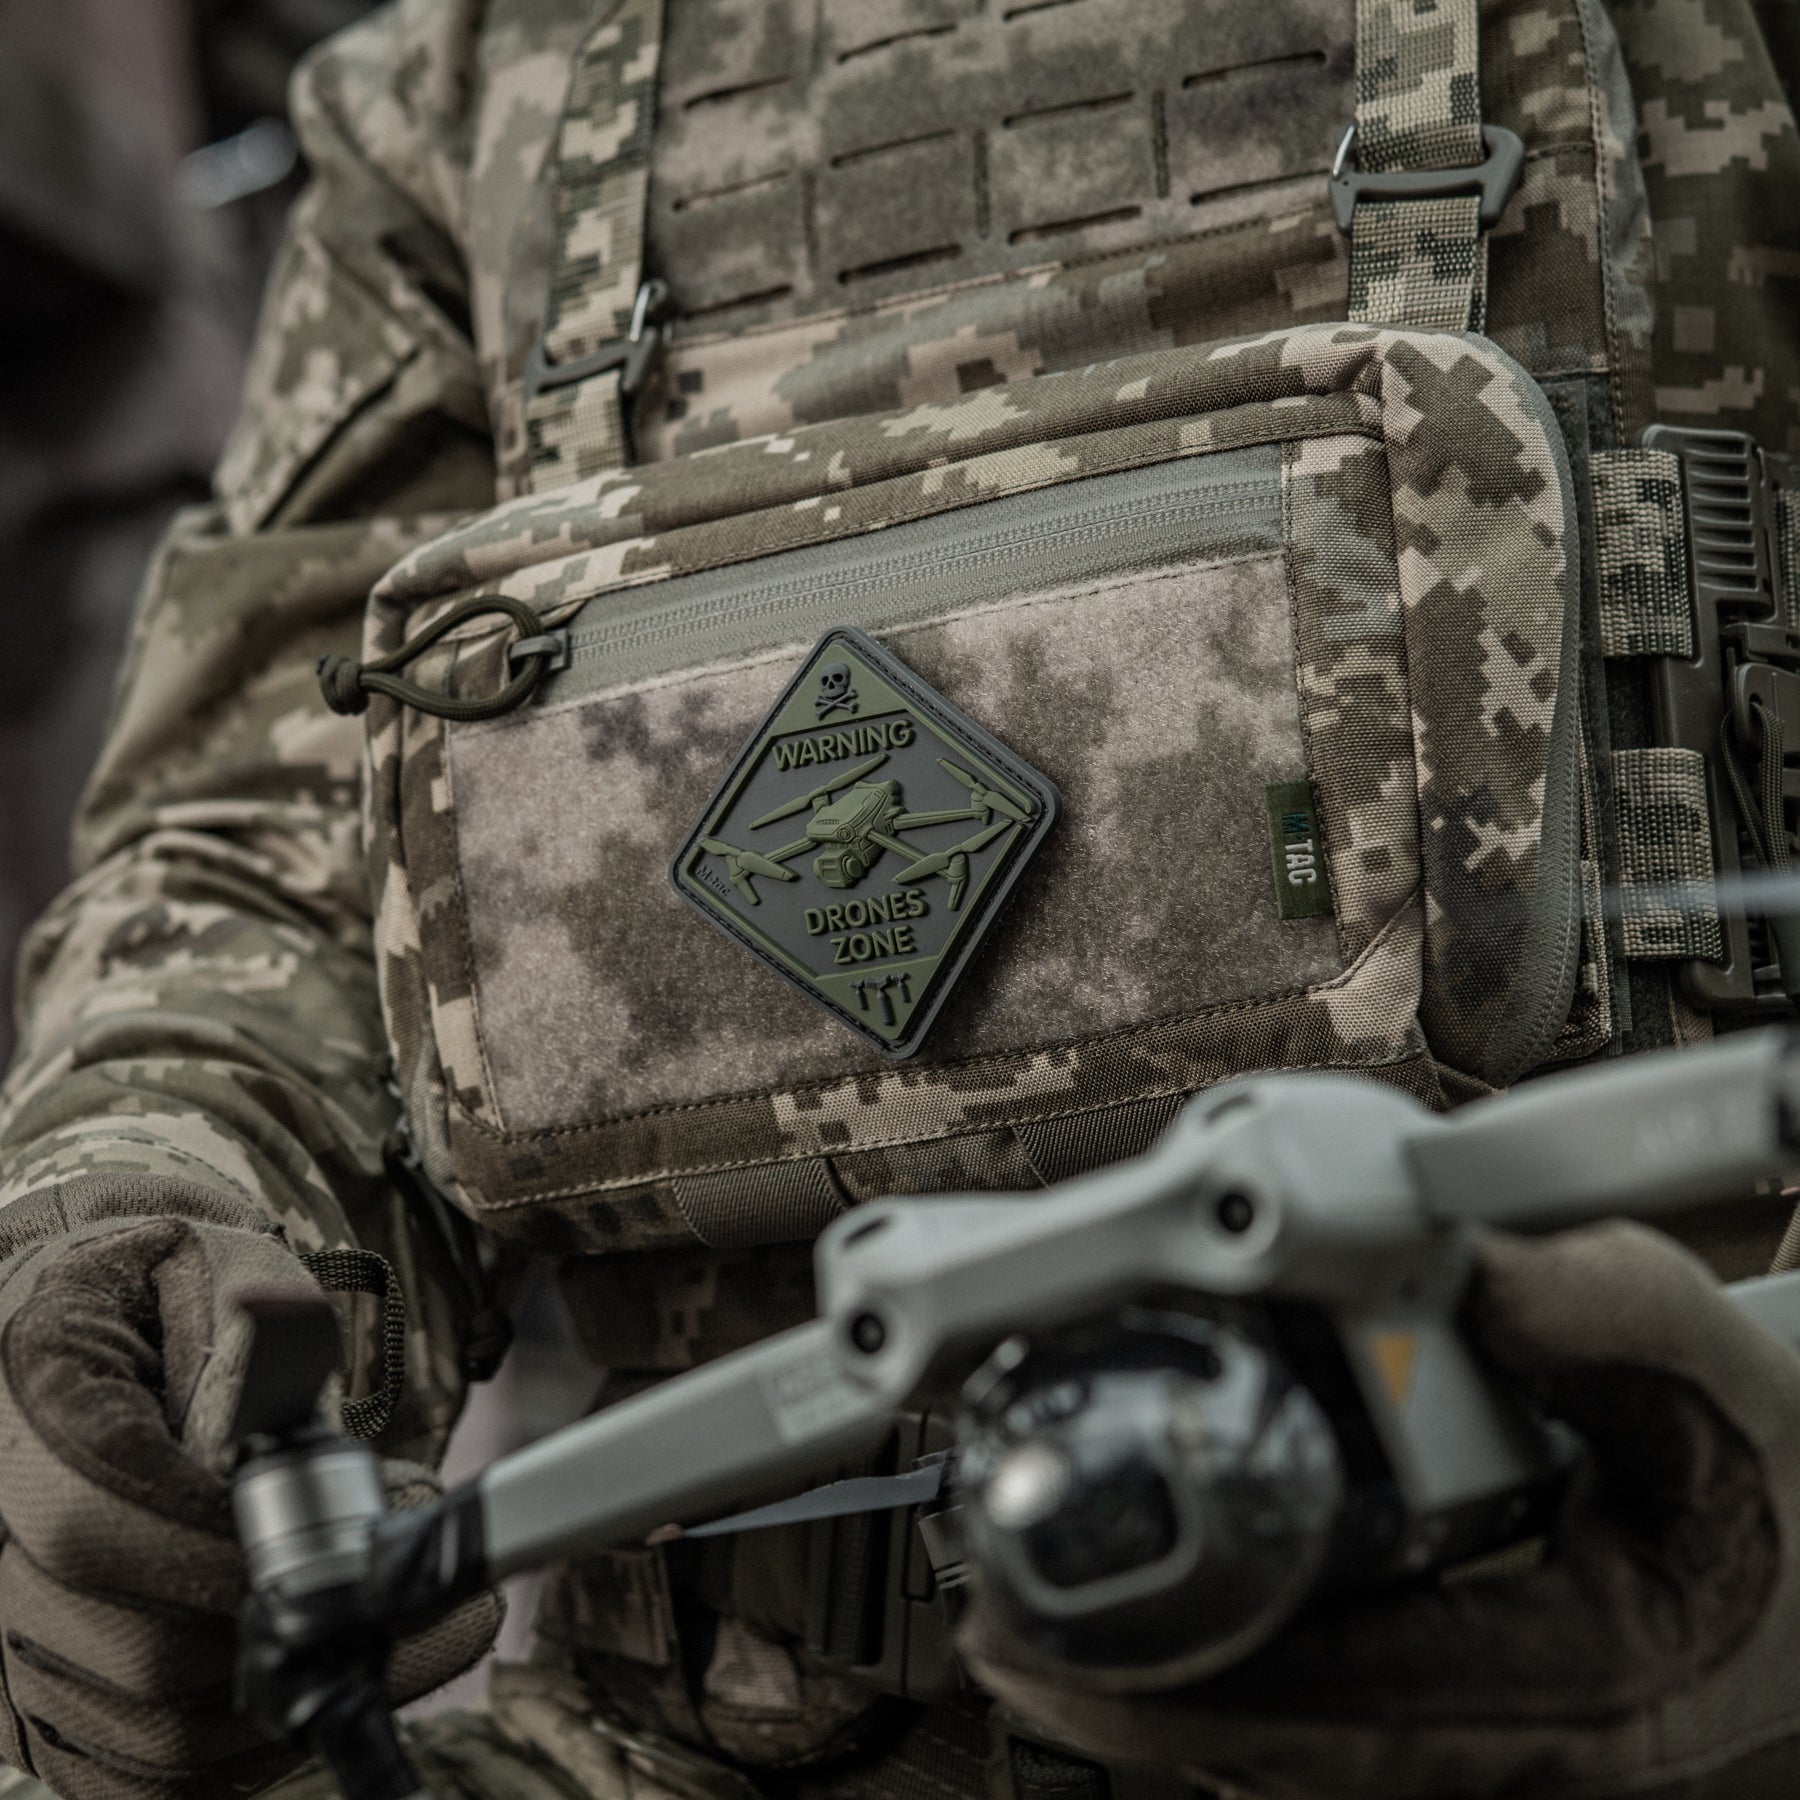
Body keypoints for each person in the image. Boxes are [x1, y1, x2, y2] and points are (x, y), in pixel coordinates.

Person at [0, 1, 1797, 1796]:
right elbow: (277, 854)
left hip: (1609, 1674)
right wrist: (144, 1231)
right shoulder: (466, 77)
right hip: (702, 1733)